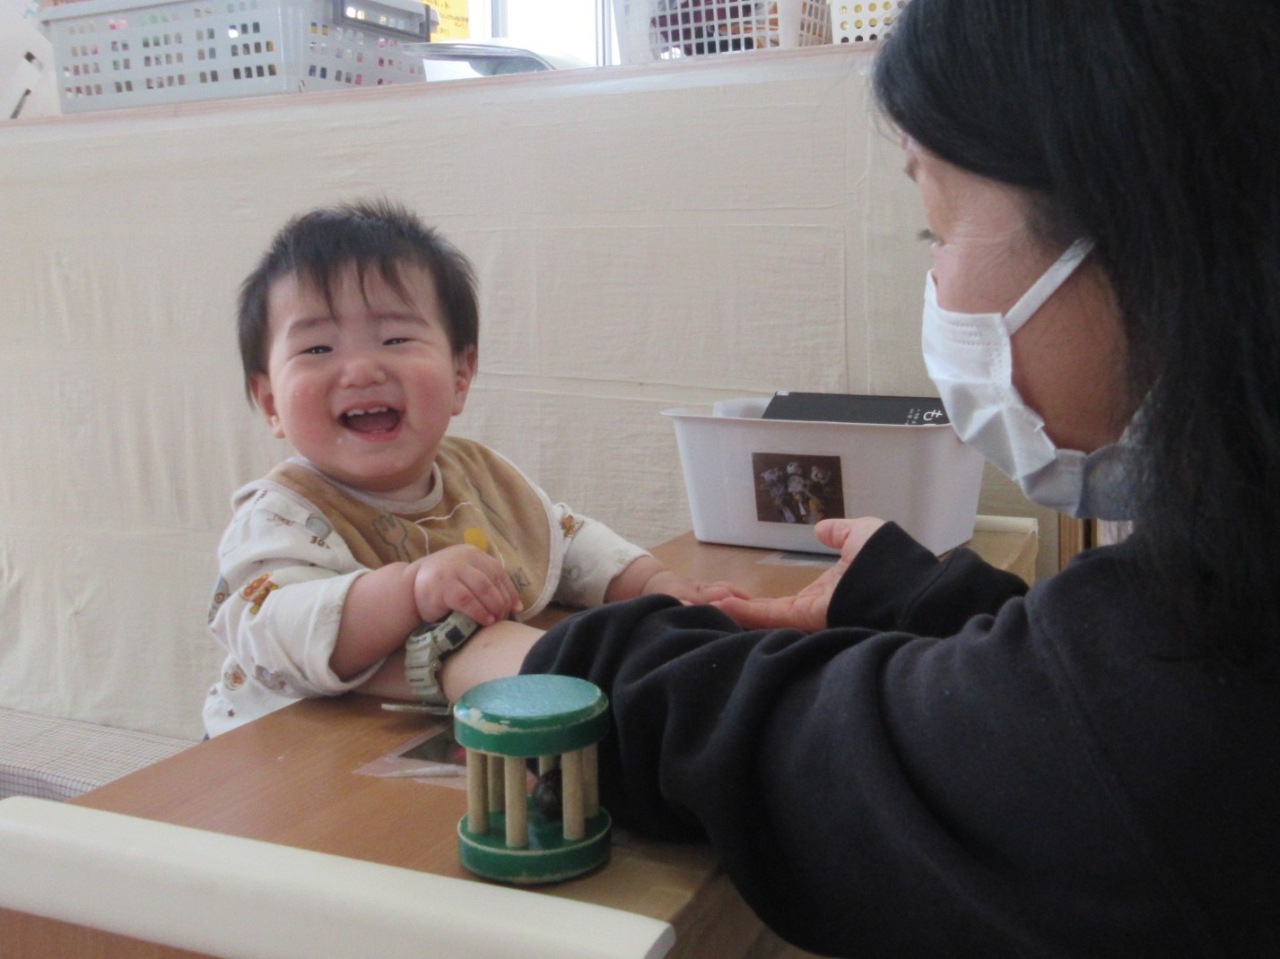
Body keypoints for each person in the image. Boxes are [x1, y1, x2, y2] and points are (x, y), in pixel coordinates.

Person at [433, 1, 1280, 956]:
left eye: (937, 231)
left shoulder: (1203, 693)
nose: (937, 287)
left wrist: (563, 669)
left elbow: (913, 752)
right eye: (318, 346)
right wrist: (918, 598)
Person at [203, 200, 741, 737]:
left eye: (395, 339)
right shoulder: (280, 515)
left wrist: (653, 584)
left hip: (430, 726)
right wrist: (409, 590)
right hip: (289, 746)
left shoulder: (478, 477)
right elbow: (273, 629)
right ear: (270, 402)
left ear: (461, 376)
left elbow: (563, 538)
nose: (362, 369)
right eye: (318, 348)